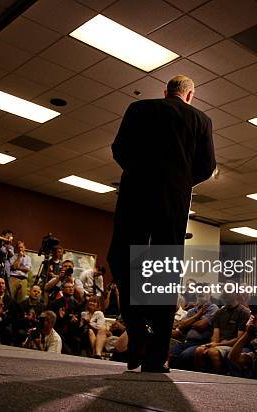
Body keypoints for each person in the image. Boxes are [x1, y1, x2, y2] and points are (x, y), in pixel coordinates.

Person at [107, 74, 216, 372]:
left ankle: (138, 330)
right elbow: (207, 167)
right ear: (190, 95)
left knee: (121, 258)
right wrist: (179, 182)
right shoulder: (202, 120)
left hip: (135, 195)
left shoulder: (139, 108)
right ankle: (156, 357)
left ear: (164, 91)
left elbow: (119, 149)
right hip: (173, 202)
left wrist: (140, 175)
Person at [194, 290, 250, 373]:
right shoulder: (219, 313)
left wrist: (217, 345)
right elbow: (216, 335)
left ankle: (221, 380)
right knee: (199, 350)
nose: (226, 293)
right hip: (221, 344)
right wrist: (213, 344)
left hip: (236, 346)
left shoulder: (244, 312)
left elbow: (239, 339)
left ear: (236, 294)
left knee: (212, 352)